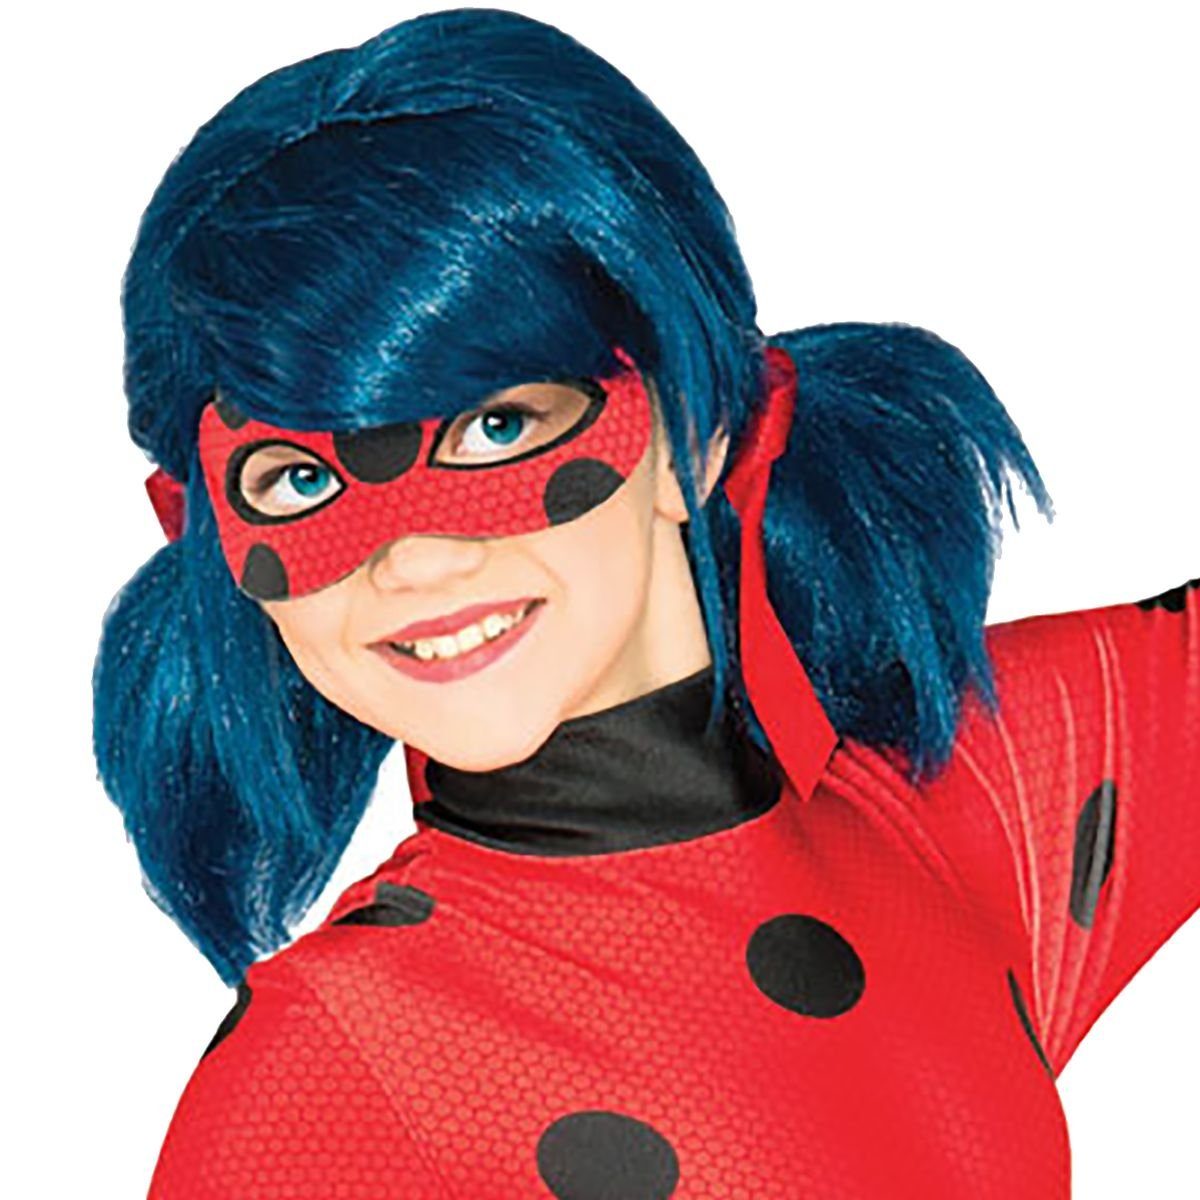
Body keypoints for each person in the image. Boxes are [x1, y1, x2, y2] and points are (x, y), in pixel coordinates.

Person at [92, 8, 1197, 1198]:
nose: (413, 563)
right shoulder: (325, 1086)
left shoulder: (962, 802)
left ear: (696, 427)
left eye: (496, 428)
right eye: (300, 481)